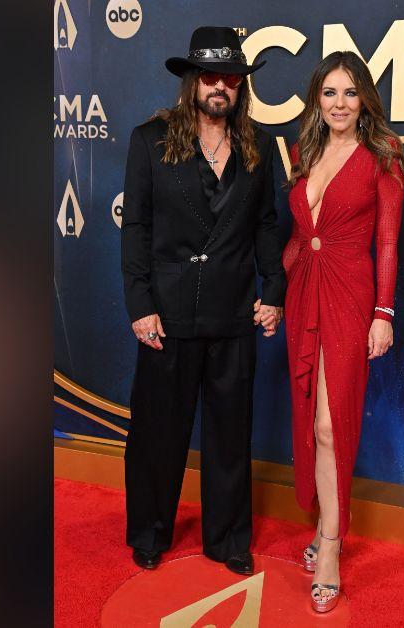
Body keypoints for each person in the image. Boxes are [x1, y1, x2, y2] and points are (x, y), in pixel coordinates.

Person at [119, 26, 285, 576]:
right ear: (192, 81)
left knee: (230, 435)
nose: (220, 87)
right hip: (165, 313)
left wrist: (274, 292)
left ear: (241, 86)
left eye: (231, 79)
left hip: (234, 310)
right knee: (157, 434)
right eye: (210, 76)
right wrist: (140, 304)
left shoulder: (261, 146)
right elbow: (136, 228)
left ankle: (228, 539)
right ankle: (149, 531)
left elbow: (266, 227)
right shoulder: (149, 140)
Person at [282, 51, 404, 613]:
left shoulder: (383, 156)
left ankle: (331, 544)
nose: (339, 104)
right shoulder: (303, 152)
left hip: (351, 296)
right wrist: (277, 285)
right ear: (317, 99)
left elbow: (387, 240)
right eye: (330, 92)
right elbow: (300, 235)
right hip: (302, 292)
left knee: (333, 423)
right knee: (309, 415)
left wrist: (383, 312)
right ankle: (321, 526)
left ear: (365, 102)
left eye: (350, 93)